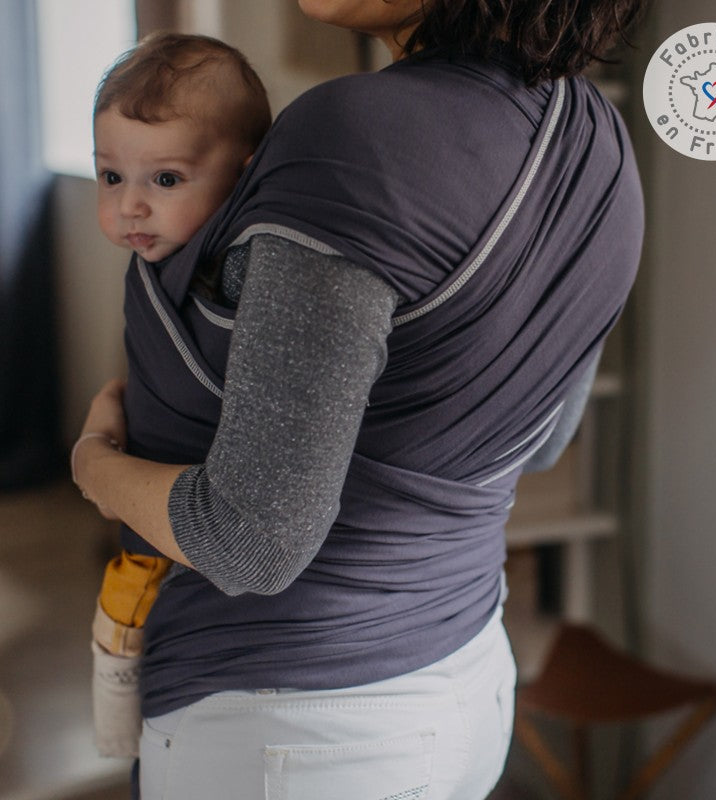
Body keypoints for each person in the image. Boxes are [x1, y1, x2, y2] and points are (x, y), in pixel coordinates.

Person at [71, 1, 646, 798]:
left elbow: (251, 541)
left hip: (289, 728)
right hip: (465, 674)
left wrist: (95, 466)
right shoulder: (597, 140)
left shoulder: (352, 135)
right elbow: (542, 441)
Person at [81, 32, 271, 759]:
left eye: (165, 179)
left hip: (203, 507)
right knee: (120, 623)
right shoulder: (157, 268)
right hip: (143, 500)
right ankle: (118, 740)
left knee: (147, 630)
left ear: (244, 174)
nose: (130, 205)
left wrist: (94, 456)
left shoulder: (247, 267)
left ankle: (127, 738)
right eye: (110, 176)